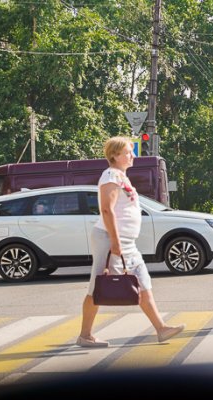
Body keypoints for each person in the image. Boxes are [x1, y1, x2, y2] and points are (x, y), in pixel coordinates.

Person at [77, 136, 185, 347]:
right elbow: (107, 209)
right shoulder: (110, 176)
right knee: (97, 286)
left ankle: (161, 329)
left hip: (127, 242)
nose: (132, 155)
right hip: (110, 239)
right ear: (114, 156)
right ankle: (85, 335)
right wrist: (115, 244)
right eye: (128, 152)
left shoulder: (120, 176)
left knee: (143, 283)